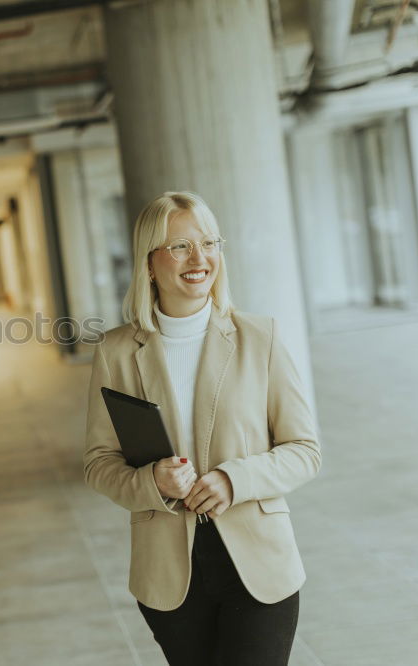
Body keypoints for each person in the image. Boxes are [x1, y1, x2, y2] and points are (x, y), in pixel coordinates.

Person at [83, 191, 321, 665]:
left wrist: (236, 479)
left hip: (259, 566)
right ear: (149, 264)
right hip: (170, 577)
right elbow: (98, 463)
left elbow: (304, 450)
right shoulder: (115, 352)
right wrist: (150, 481)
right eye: (180, 247)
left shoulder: (261, 337)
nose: (199, 258)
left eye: (209, 243)